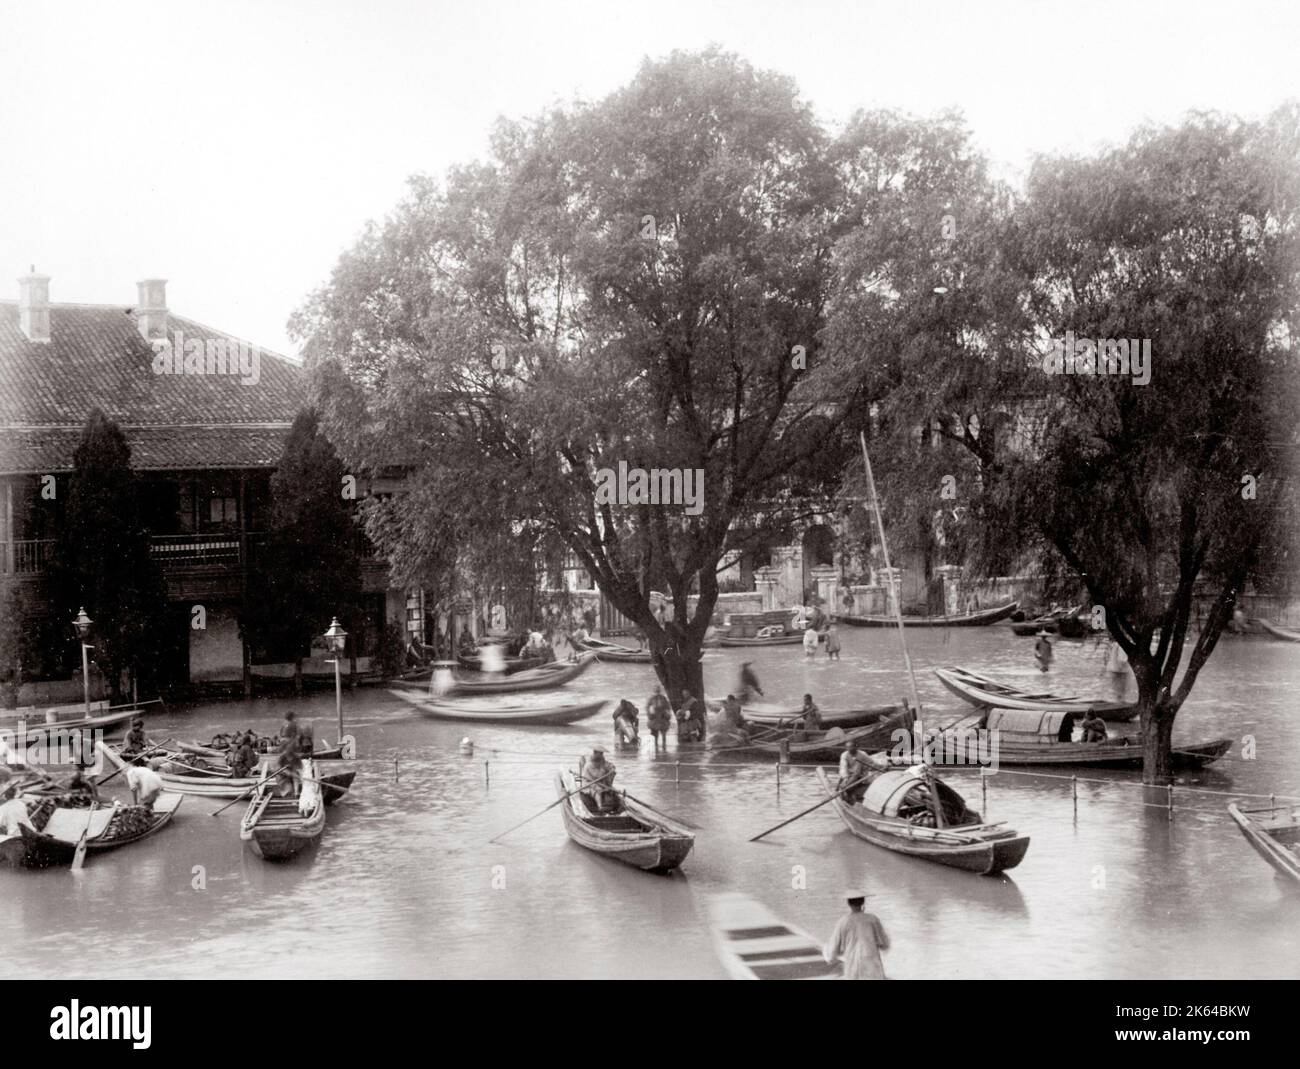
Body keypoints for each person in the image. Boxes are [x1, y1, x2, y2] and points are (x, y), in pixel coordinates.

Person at [823, 891, 890, 980]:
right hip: (872, 965)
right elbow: (885, 944)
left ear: (849, 904)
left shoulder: (843, 921)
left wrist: (830, 957)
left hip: (853, 965)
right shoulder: (872, 919)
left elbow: (833, 949)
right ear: (863, 902)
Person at [837, 739, 874, 804]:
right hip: (849, 775)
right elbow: (843, 767)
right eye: (848, 747)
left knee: (857, 775)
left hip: (860, 775)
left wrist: (874, 767)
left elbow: (871, 762)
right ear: (846, 748)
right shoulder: (844, 755)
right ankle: (844, 793)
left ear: (856, 747)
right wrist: (845, 777)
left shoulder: (862, 754)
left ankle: (853, 796)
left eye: (851, 747)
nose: (850, 749)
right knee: (844, 786)